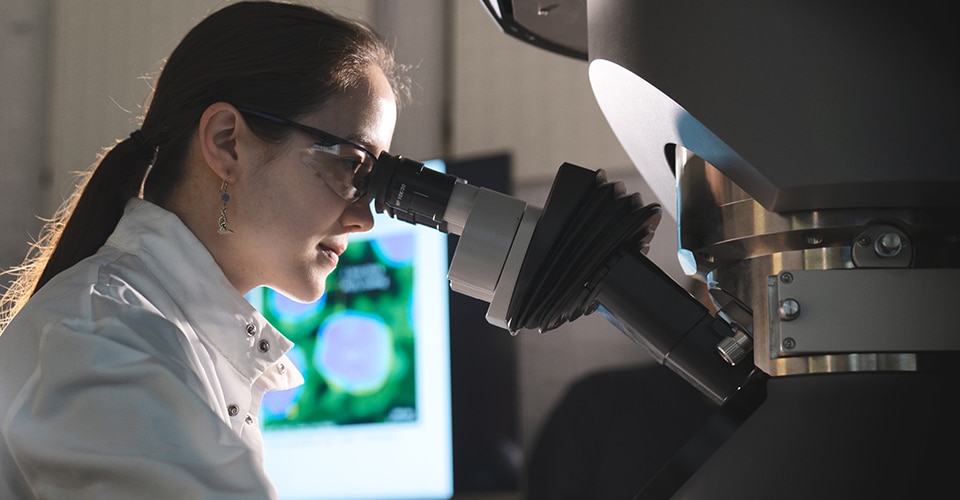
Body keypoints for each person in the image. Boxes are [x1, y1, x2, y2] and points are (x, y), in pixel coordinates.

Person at [0, 1, 410, 498]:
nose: (364, 218)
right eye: (352, 167)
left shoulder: (158, 337)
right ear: (226, 142)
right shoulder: (103, 341)